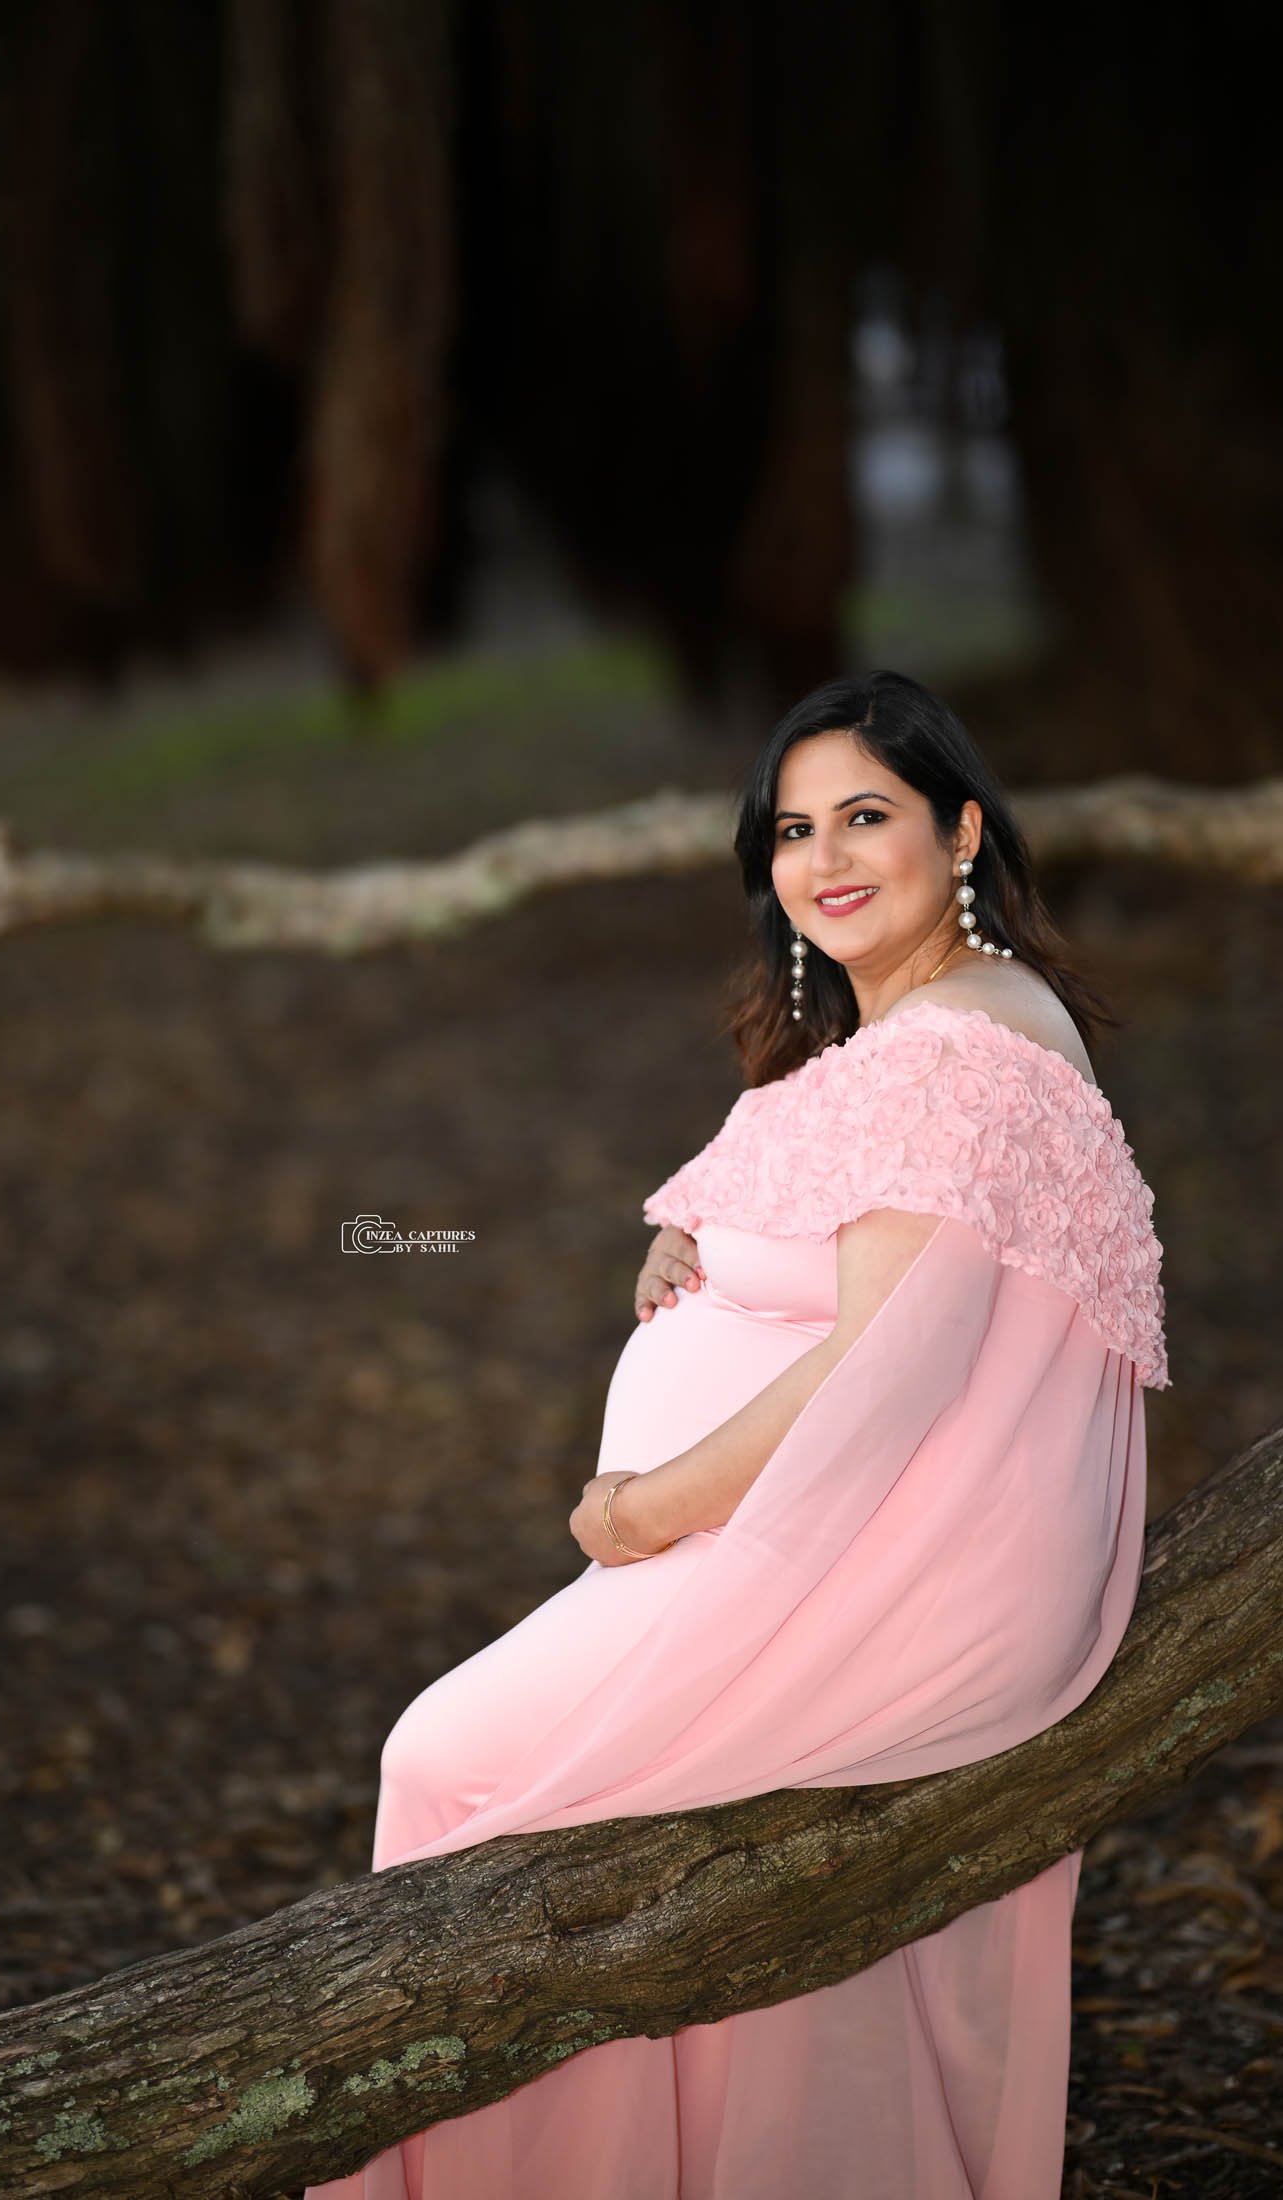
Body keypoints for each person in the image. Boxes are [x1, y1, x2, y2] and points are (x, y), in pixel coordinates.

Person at [302, 670, 1169, 2200]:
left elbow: (885, 1373)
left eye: (866, 816)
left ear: (961, 831)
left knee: (444, 1765)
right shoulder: (934, 1023)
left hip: (900, 1560)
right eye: (791, 828)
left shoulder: (953, 1054)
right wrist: (699, 1250)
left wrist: (649, 1512)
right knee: (671, 1868)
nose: (824, 857)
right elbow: (861, 1262)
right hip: (867, 1535)